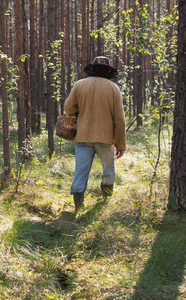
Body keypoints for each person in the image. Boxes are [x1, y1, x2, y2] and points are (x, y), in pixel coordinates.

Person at [64, 56, 126, 212]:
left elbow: (68, 109)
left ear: (92, 68)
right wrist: (121, 144)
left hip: (83, 136)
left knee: (81, 170)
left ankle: (78, 207)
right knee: (108, 170)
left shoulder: (79, 85)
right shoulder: (113, 88)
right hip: (106, 138)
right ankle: (105, 204)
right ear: (107, 70)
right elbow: (119, 119)